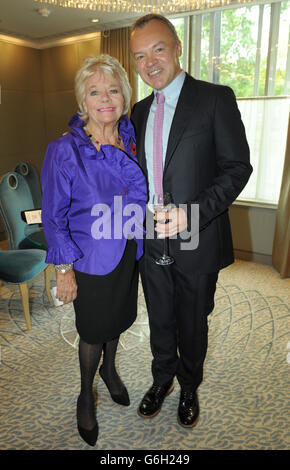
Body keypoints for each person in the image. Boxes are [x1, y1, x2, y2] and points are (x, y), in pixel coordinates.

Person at [130, 14, 253, 428]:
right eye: (139, 56)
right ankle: (161, 379)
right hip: (151, 235)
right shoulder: (138, 110)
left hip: (197, 235)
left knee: (193, 319)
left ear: (178, 47)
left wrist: (192, 212)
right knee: (160, 316)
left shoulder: (215, 98)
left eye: (158, 50)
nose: (149, 63)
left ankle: (188, 385)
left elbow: (237, 168)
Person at [41, 54, 147, 446]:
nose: (106, 98)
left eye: (114, 90)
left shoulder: (129, 135)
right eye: (95, 91)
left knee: (117, 320)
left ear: (125, 96)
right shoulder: (64, 149)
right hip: (88, 258)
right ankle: (86, 392)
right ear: (82, 102)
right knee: (92, 330)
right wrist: (64, 270)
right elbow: (53, 215)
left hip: (128, 250)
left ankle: (111, 370)